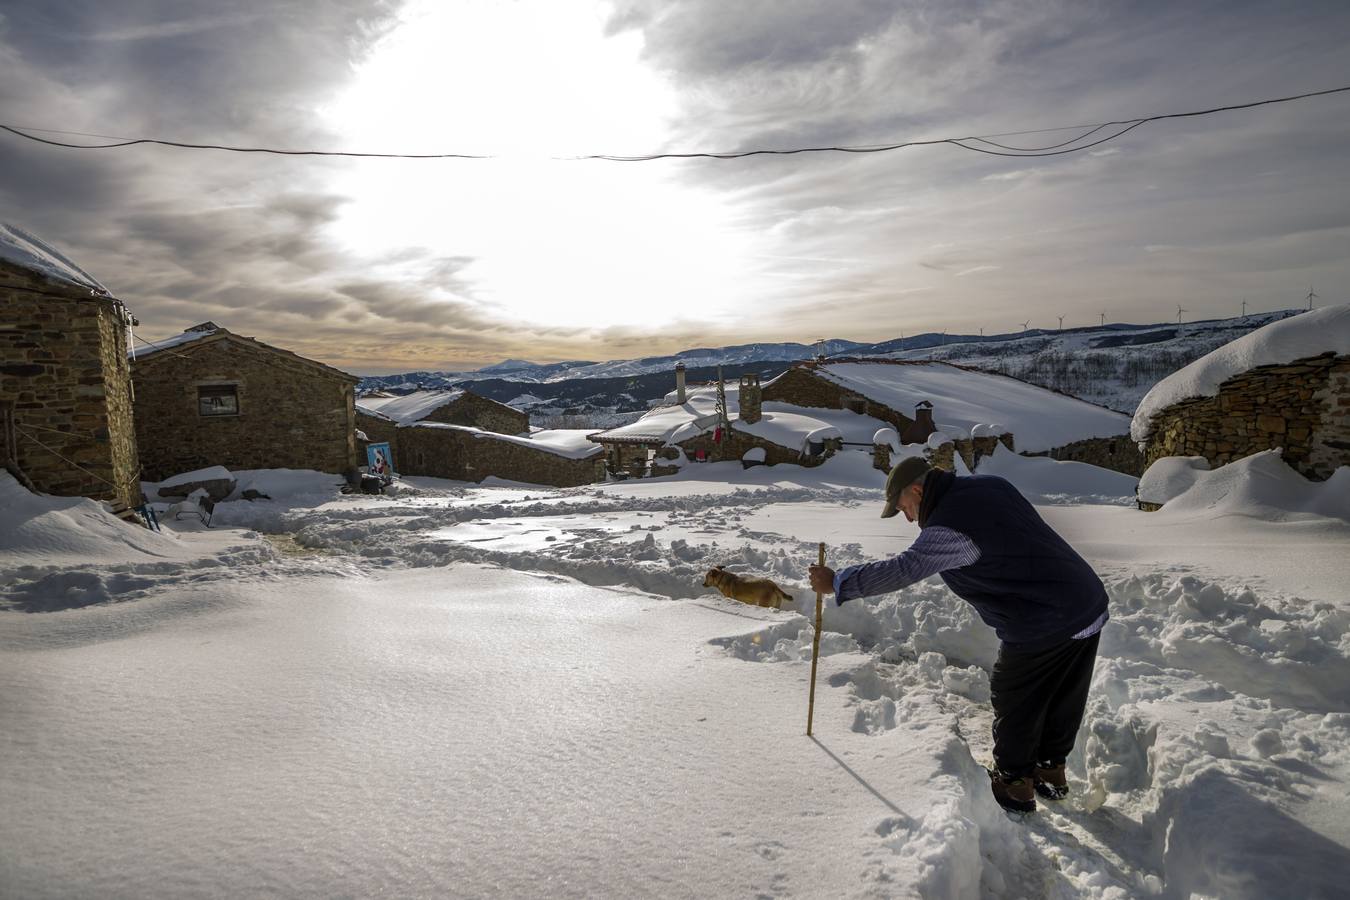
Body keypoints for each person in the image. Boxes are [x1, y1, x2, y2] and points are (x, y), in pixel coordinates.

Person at [808, 456, 1107, 814]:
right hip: (1085, 601)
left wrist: (840, 582)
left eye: (905, 507)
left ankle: (1014, 784)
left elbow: (904, 569)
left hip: (1042, 617)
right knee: (1063, 693)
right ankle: (1050, 772)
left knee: (1015, 694)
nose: (908, 518)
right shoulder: (991, 485)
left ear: (918, 490)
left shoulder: (949, 528)